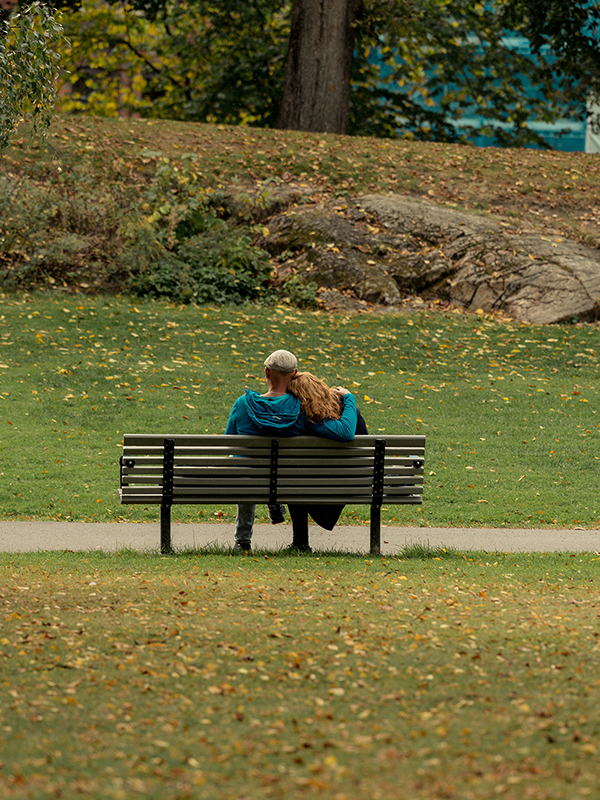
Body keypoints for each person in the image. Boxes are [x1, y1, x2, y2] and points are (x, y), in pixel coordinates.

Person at [225, 351, 357, 552]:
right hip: (286, 480)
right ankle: (274, 502)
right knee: (269, 469)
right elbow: (344, 432)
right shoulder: (302, 409)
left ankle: (243, 541)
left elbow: (230, 444)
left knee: (244, 466)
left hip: (248, 478)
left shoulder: (242, 404)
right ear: (294, 373)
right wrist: (348, 398)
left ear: (267, 373)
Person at [284, 372, 369, 552]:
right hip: (351, 482)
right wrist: (349, 399)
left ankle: (300, 543)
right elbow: (365, 455)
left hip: (308, 485)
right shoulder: (347, 416)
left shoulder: (299, 421)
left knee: (292, 477)